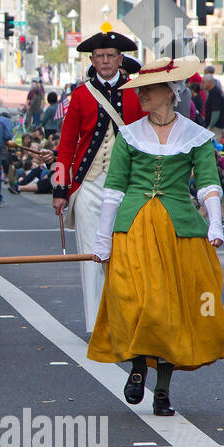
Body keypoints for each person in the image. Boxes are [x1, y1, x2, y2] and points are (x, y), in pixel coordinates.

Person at [88, 55, 224, 416]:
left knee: (170, 310)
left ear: (170, 92)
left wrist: (215, 222)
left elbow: (207, 183)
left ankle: (163, 391)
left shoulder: (196, 137)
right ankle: (138, 366)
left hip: (177, 231)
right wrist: (103, 237)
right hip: (133, 229)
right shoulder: (128, 134)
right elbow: (114, 189)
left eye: (148, 91)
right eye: (139, 91)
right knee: (136, 302)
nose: (141, 97)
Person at [50, 30, 144, 330]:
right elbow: (66, 146)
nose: (105, 61)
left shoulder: (137, 91)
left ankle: (123, 319)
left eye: (111, 56)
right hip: (88, 185)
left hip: (128, 185)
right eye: (100, 56)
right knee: (92, 255)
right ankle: (95, 325)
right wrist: (60, 189)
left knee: (126, 254)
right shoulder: (80, 95)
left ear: (121, 59)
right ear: (92, 60)